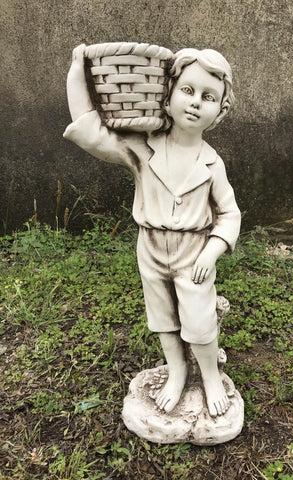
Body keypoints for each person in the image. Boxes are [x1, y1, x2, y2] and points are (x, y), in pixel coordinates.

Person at [64, 44, 241, 417]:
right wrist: (78, 71)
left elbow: (229, 214)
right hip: (151, 246)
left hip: (193, 250)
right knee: (162, 316)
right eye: (188, 90)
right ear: (169, 93)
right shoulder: (143, 149)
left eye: (208, 97)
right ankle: (176, 372)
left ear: (221, 111)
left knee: (200, 319)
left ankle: (209, 375)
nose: (195, 103)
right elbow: (90, 130)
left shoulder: (212, 163)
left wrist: (211, 252)